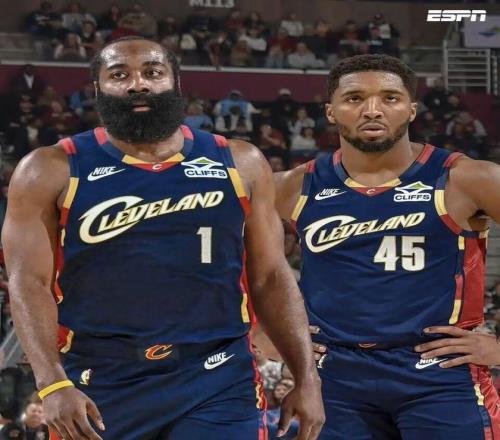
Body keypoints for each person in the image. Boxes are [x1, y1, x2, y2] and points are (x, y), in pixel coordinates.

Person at [2, 36, 324, 440]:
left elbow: (272, 276)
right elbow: (28, 283)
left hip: (217, 378)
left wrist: (306, 377)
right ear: (98, 89)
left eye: (152, 72)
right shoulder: (49, 169)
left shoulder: (240, 162)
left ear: (176, 82)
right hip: (101, 378)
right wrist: (52, 383)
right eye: (120, 75)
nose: (138, 84)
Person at [275, 54, 500, 439]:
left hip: (439, 372)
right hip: (335, 374)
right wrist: (278, 340)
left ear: (412, 109)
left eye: (390, 98)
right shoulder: (293, 186)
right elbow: (238, 267)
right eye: (354, 98)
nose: (372, 110)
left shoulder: (468, 178)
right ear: (330, 111)